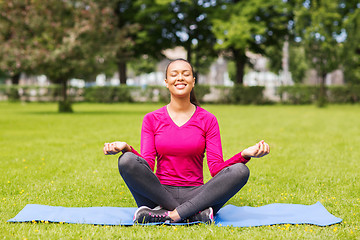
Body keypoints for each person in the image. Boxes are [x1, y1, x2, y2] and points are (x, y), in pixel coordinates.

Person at [103, 58, 270, 224]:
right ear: (166, 82)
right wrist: (127, 149)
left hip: (197, 195)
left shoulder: (208, 119)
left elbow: (216, 169)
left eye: (186, 74)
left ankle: (170, 215)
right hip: (159, 195)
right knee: (127, 160)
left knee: (240, 171)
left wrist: (244, 155)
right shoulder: (151, 119)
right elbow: (146, 165)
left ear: (193, 81)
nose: (180, 78)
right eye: (174, 74)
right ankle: (192, 214)